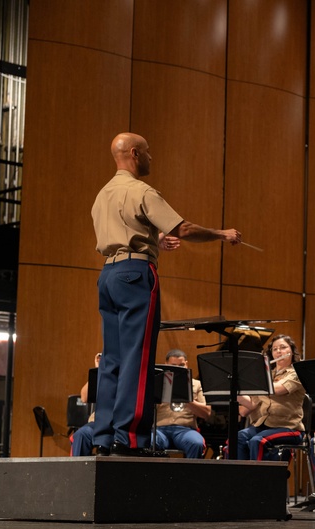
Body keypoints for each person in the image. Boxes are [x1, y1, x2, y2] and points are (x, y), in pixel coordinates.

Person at [92, 132, 241, 456]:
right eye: (147, 152)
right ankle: (130, 438)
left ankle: (104, 437)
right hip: (135, 276)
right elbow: (182, 228)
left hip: (108, 276)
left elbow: (120, 236)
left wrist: (153, 240)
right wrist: (221, 233)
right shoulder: (141, 190)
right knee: (138, 358)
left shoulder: (103, 194)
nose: (150, 158)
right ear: (134, 153)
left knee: (112, 360)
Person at [236, 335, 305, 461]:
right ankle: (242, 478)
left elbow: (277, 389)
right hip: (264, 426)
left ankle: (260, 480)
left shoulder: (297, 372)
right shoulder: (266, 376)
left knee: (258, 441)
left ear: (291, 351)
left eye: (283, 347)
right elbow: (251, 405)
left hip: (288, 428)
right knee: (238, 438)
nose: (278, 351)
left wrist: (254, 377)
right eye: (275, 349)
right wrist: (236, 391)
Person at [154, 349, 211, 459]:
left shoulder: (197, 384)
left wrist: (187, 399)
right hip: (160, 429)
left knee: (196, 443)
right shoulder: (157, 382)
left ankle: (191, 475)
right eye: (173, 366)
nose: (178, 369)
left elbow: (207, 413)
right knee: (150, 442)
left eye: (181, 365)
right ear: (166, 365)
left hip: (185, 429)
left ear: (187, 364)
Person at [70, 353, 102, 457]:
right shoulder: (103, 374)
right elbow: (84, 397)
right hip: (99, 422)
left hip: (123, 423)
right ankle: (77, 472)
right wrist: (98, 371)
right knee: (82, 434)